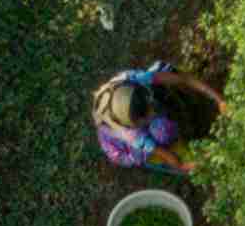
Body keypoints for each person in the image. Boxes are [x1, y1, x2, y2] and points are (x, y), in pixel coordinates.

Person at [93, 63, 222, 173]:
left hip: (128, 109)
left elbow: (183, 79)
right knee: (162, 130)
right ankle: (167, 147)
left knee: (165, 69)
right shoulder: (131, 136)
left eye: (151, 106)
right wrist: (196, 163)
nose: (153, 112)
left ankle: (177, 107)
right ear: (137, 123)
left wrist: (219, 100)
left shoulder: (132, 79)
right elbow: (174, 161)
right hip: (120, 148)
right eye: (148, 115)